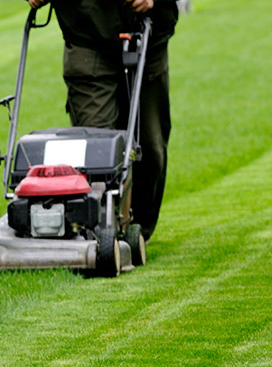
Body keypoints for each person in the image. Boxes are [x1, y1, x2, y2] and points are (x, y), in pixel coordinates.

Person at [28, 0, 179, 240]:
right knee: (95, 152)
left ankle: (137, 231)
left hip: (149, 35)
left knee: (151, 148)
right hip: (86, 36)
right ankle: (100, 232)